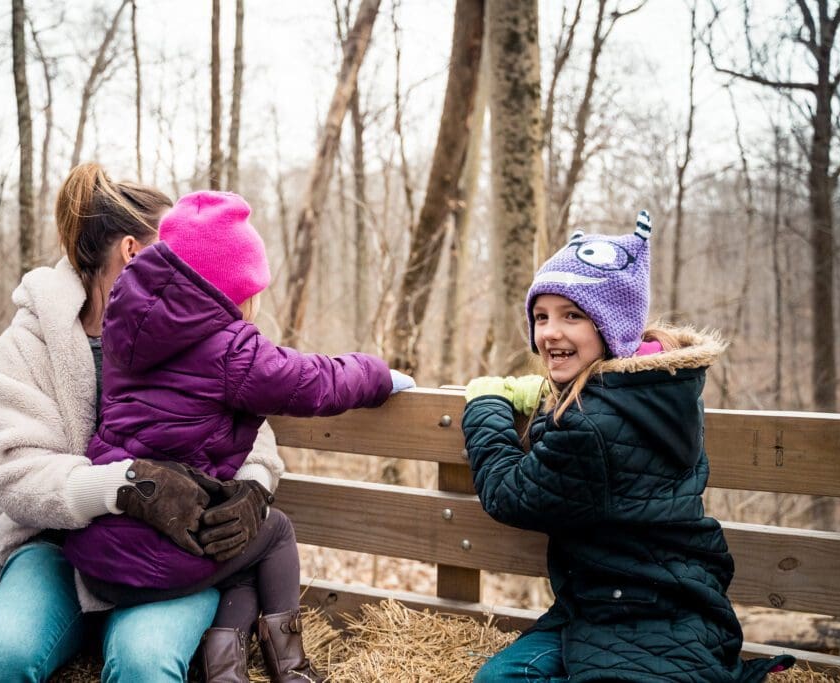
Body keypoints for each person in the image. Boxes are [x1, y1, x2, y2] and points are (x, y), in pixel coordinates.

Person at [63, 190, 415, 682]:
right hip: (159, 561)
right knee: (273, 534)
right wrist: (378, 375)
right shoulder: (232, 349)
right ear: (232, 290)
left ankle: (224, 669)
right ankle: (292, 668)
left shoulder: (124, 329)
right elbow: (311, 381)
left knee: (239, 547)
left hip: (98, 555)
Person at [0, 164, 286, 683]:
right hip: (55, 549)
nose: (188, 270)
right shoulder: (29, 343)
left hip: (167, 555)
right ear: (134, 251)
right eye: (174, 252)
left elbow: (252, 433)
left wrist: (254, 488)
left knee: (144, 664)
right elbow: (13, 471)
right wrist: (125, 487)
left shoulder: (192, 332)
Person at [461, 211, 795, 682]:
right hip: (623, 601)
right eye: (541, 317)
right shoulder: (656, 387)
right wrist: (546, 398)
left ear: (612, 326)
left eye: (572, 315)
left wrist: (486, 404)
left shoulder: (590, 424)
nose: (550, 331)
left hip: (642, 615)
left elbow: (507, 493)